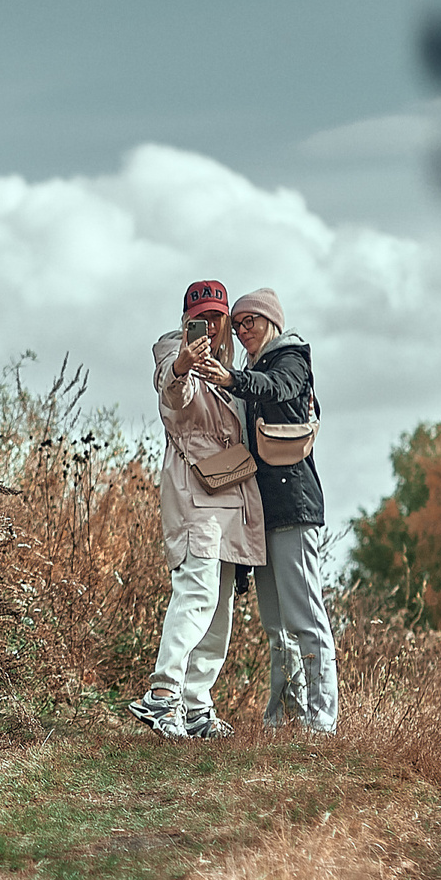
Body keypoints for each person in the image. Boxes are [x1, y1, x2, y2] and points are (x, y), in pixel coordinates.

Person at [125, 279, 264, 741]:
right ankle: (163, 695)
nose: (209, 325)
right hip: (195, 492)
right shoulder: (172, 351)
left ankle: (196, 705)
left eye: (217, 318)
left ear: (225, 322)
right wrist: (184, 365)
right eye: (198, 318)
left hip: (231, 494)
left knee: (220, 608)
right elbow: (175, 398)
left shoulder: (232, 369)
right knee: (197, 593)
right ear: (186, 320)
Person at [212, 287, 338, 734]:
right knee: (275, 625)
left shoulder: (291, 360)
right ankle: (284, 719)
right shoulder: (251, 370)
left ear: (272, 323)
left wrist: (233, 380)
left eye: (252, 322)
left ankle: (322, 724)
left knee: (305, 617)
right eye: (238, 324)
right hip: (260, 513)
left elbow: (278, 390)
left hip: (293, 508)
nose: (244, 330)